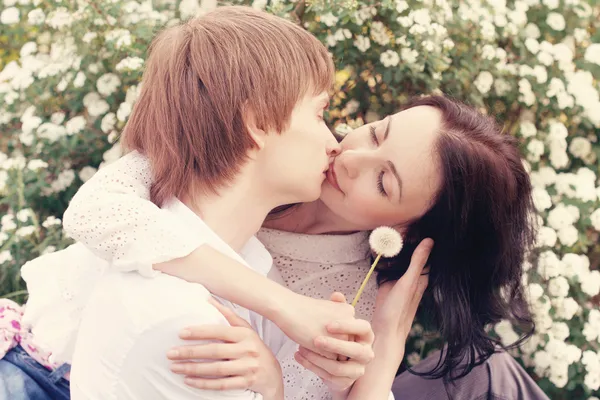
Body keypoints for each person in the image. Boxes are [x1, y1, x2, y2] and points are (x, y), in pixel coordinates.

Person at [56, 96, 549, 400]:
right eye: (377, 132)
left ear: (408, 231)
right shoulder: (282, 137)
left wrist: (276, 383)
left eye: (383, 182)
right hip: (50, 353)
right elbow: (96, 213)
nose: (350, 155)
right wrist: (283, 305)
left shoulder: (344, 300)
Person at [7, 6, 382, 400]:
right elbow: (92, 212)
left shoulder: (253, 261)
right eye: (320, 112)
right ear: (257, 123)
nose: (335, 143)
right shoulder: (186, 320)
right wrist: (273, 385)